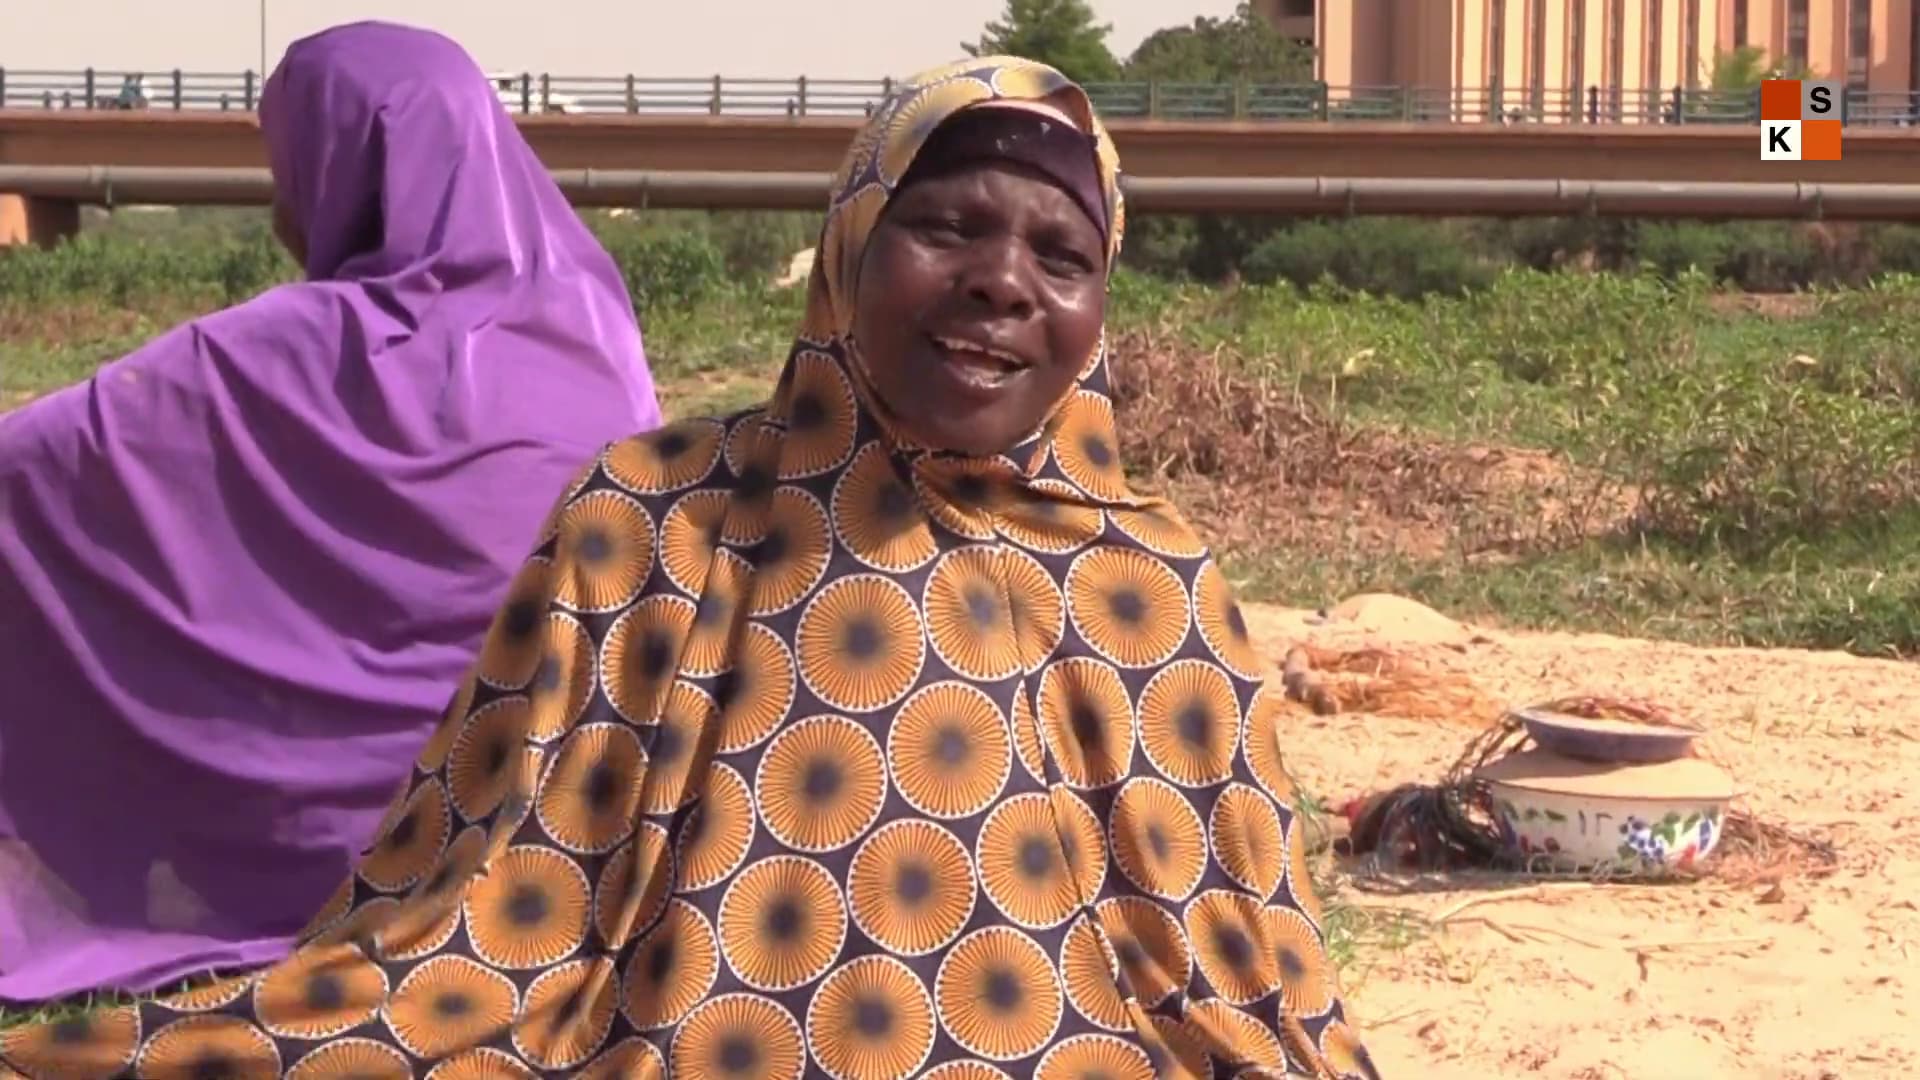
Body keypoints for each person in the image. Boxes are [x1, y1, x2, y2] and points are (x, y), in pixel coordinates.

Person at [0, 55, 1382, 1079]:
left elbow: (1253, 970)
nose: (1002, 280)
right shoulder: (651, 520)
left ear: (1097, 309)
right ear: (851, 237)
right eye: (948, 226)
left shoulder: (1158, 586)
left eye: (1060, 256)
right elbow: (486, 897)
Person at [0, 22, 661, 1004]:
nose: (279, 205)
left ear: (346, 170)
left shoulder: (270, 357)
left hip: (304, 859)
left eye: (290, 168)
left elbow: (31, 472)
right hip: (556, 842)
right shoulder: (597, 335)